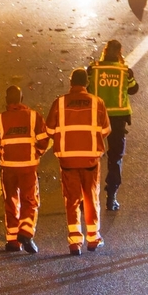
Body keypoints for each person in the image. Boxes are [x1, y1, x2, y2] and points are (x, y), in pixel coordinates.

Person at [47, 68, 111, 255]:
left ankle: (75, 241)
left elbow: (50, 130)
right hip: (90, 159)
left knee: (72, 200)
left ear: (70, 82)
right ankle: (93, 238)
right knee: (91, 198)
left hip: (67, 160)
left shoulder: (59, 103)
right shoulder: (97, 102)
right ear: (87, 83)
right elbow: (106, 130)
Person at [0, 86, 50, 253]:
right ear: (21, 99)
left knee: (11, 202)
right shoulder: (34, 117)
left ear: (6, 100)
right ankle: (26, 231)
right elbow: (44, 141)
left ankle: (13, 242)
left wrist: (3, 153)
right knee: (30, 200)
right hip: (28, 167)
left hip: (8, 167)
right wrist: (36, 153)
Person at [87, 40, 139, 211]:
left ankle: (87, 197)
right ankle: (111, 197)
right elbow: (133, 89)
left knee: (92, 158)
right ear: (119, 53)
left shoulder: (93, 69)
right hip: (117, 120)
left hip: (97, 118)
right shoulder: (125, 71)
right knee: (115, 158)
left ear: (105, 51)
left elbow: (86, 88)